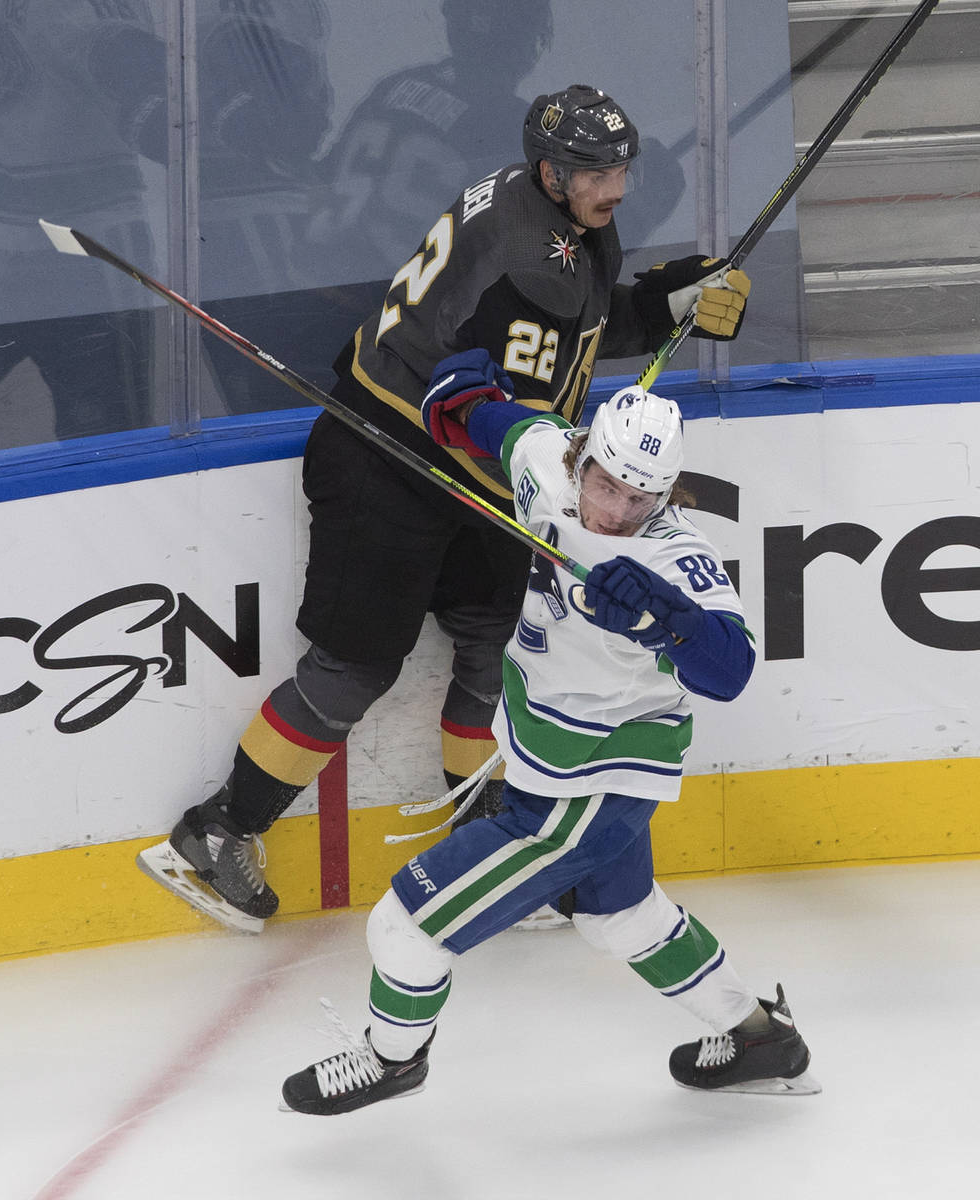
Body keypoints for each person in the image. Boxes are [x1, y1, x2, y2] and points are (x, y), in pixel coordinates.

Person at [136, 83, 752, 933]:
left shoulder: (549, 219)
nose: (614, 184)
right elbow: (538, 384)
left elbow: (564, 336)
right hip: (385, 461)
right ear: (550, 171)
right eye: (594, 169)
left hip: (472, 478)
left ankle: (493, 844)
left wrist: (662, 301)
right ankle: (217, 832)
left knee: (496, 649)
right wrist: (655, 311)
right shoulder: (529, 252)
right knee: (356, 664)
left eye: (620, 165)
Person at [279, 378, 819, 1114]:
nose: (618, 511)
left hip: (591, 786)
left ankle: (391, 1059)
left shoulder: (672, 559)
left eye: (642, 498)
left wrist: (671, 622)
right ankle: (759, 1038)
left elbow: (732, 668)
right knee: (619, 917)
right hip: (551, 763)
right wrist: (464, 401)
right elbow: (508, 427)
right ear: (582, 456)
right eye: (607, 484)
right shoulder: (545, 465)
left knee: (404, 927)